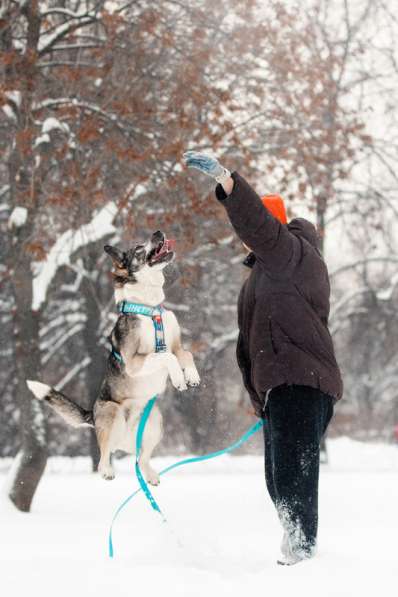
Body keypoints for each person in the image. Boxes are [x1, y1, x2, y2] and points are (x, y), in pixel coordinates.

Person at [183, 151, 343, 566]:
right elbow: (248, 345)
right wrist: (259, 398)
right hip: (283, 389)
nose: (246, 237)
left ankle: (304, 557)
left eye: (256, 230)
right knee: (278, 480)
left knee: (294, 479)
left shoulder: (292, 254)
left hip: (302, 382)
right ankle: (296, 550)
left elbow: (257, 223)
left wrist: (228, 182)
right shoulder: (264, 275)